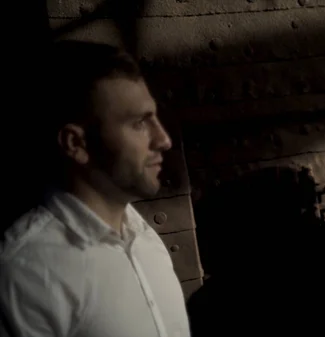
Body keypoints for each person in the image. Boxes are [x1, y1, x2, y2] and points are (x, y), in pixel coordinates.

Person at [0, 40, 191, 337]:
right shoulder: (25, 271)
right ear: (76, 144)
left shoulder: (145, 238)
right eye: (140, 123)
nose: (163, 140)